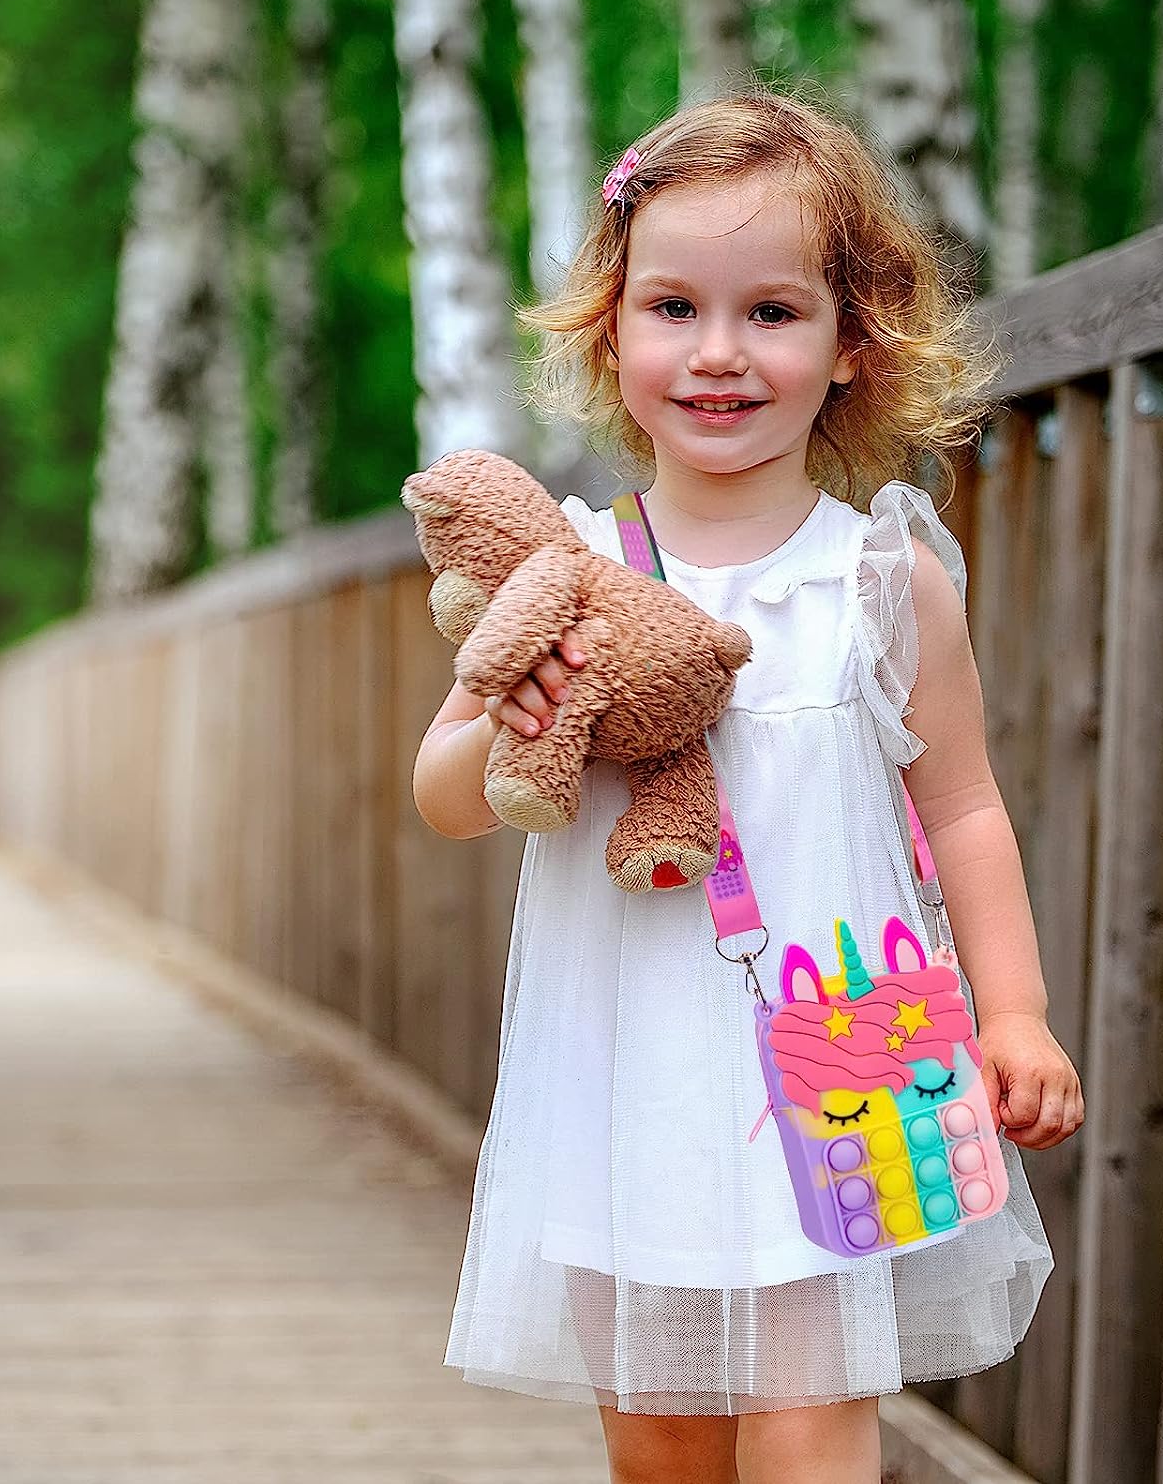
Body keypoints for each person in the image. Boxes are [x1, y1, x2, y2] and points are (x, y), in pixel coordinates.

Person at [412, 86, 1085, 1484]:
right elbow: (445, 794)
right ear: (612, 328)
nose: (720, 354)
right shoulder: (572, 568)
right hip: (624, 1071)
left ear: (855, 342)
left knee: (811, 1419)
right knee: (659, 1440)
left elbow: (960, 806)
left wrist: (1013, 1012)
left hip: (848, 1047)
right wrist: (515, 713)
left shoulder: (880, 577)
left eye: (774, 312)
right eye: (675, 308)